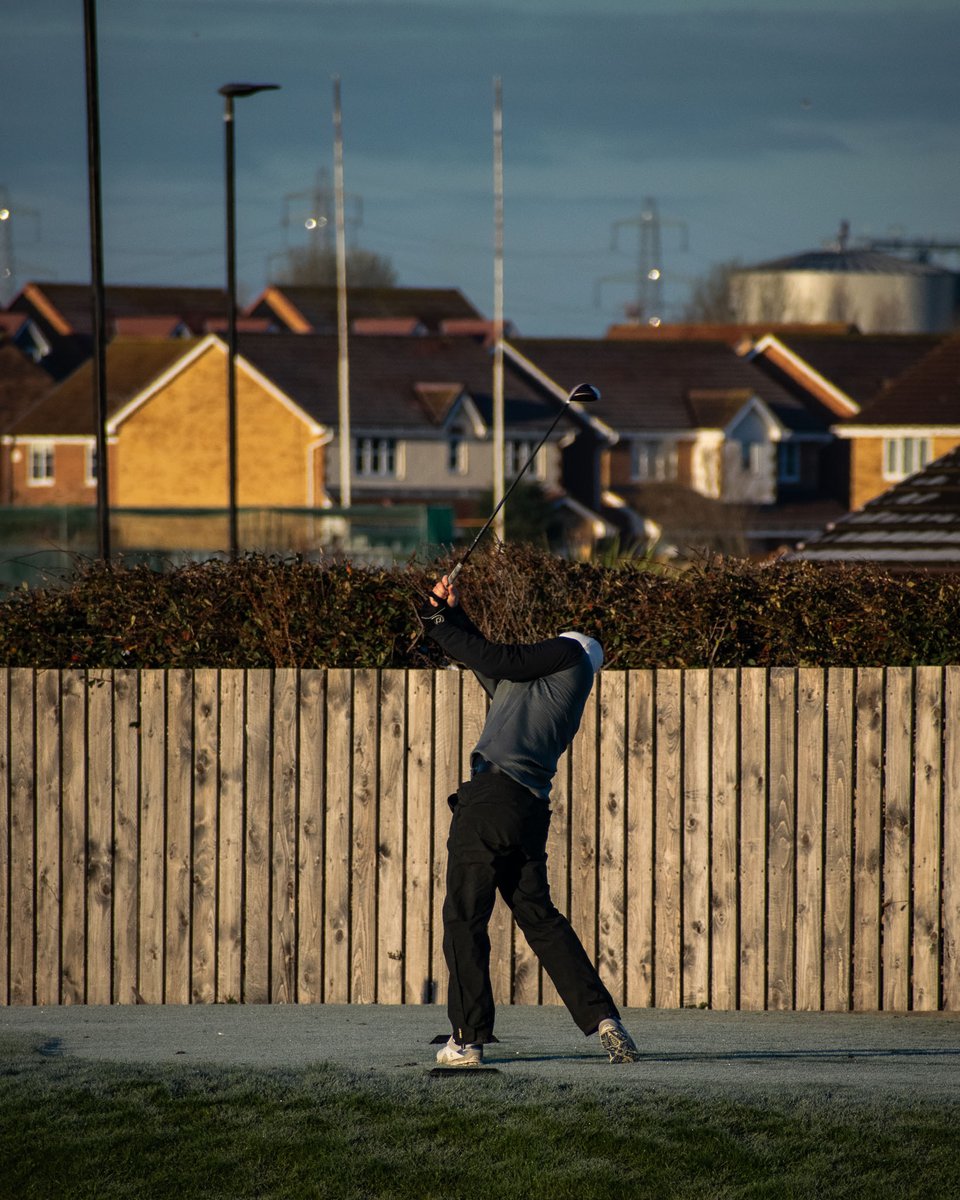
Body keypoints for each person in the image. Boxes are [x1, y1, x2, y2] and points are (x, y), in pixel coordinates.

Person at [419, 574, 640, 1066]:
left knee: (463, 918)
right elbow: (488, 663)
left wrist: (434, 624)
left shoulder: (569, 655)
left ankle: (468, 1038)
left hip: (490, 800)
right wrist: (450, 615)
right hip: (526, 812)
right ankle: (604, 1018)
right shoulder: (546, 691)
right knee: (540, 920)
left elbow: (501, 659)